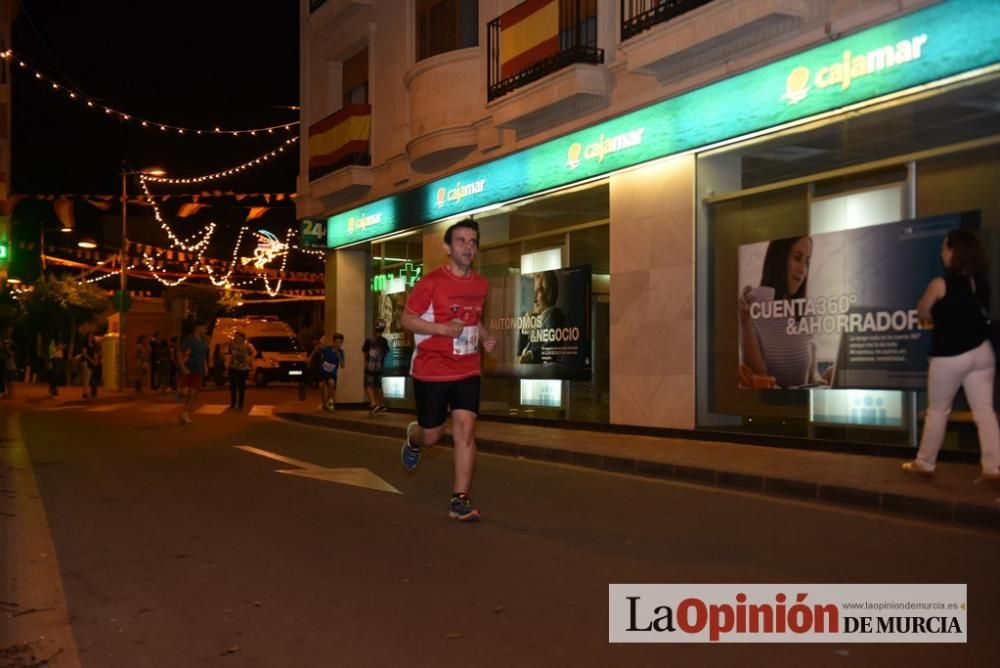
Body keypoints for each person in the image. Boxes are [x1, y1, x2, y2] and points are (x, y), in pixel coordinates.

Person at [400, 218, 497, 521]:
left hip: (467, 368)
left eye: (472, 241)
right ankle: (413, 440)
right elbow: (407, 320)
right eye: (461, 241)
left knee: (466, 430)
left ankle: (460, 499)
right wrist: (442, 329)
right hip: (431, 368)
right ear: (447, 247)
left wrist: (484, 336)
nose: (468, 247)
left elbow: (472, 318)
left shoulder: (481, 284)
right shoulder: (430, 283)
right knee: (432, 436)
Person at [903, 229, 1000, 487]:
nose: (942, 252)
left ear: (955, 251)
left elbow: (922, 310)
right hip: (983, 353)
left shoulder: (940, 283)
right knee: (985, 411)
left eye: (945, 248)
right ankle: (993, 468)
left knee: (937, 410)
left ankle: (924, 464)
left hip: (950, 356)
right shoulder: (981, 282)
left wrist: (935, 317)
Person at [738, 235, 832, 389]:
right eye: (797, 258)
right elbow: (759, 375)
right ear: (778, 259)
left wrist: (821, 377)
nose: (803, 269)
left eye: (806, 262)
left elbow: (811, 372)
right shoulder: (752, 306)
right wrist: (745, 321)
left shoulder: (806, 312)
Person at [517, 270, 565, 364]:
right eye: (533, 293)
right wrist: (524, 331)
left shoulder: (553, 314)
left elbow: (552, 347)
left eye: (538, 292)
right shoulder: (538, 319)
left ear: (549, 293)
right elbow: (518, 355)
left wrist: (529, 356)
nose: (534, 300)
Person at [178, 321, 209, 424]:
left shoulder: (204, 341)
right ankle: (180, 390)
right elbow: (179, 353)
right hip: (188, 369)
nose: (206, 330)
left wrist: (205, 367)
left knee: (193, 394)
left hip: (198, 370)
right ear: (197, 328)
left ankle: (185, 413)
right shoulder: (189, 339)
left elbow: (203, 355)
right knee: (186, 393)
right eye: (204, 328)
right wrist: (183, 367)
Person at [362, 319, 391, 416]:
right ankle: (382, 404)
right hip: (379, 367)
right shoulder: (384, 341)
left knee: (368, 385)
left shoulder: (369, 340)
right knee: (378, 385)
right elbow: (386, 353)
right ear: (383, 330)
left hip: (369, 367)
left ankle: (374, 404)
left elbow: (365, 352)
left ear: (374, 328)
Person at [227, 331, 256, 411]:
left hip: (243, 368)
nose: (237, 338)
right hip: (233, 367)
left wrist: (250, 358)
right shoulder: (232, 344)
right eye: (236, 337)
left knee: (241, 386)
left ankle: (240, 404)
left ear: (242, 337)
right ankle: (233, 403)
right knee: (233, 386)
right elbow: (231, 354)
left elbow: (254, 352)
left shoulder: (248, 345)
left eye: (238, 337)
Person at [315, 333, 345, 412]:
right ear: (333, 342)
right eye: (336, 342)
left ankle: (329, 401)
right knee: (322, 386)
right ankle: (324, 403)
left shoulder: (341, 352)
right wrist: (310, 358)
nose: (338, 344)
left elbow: (342, 365)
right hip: (323, 372)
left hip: (332, 373)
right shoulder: (327, 349)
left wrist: (339, 357)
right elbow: (317, 347)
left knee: (331, 383)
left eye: (340, 342)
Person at [79, 333, 99, 399]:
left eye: (92, 336)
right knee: (87, 377)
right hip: (85, 362)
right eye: (90, 336)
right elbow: (84, 354)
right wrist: (91, 360)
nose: (91, 338)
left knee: (89, 377)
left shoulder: (93, 345)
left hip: (91, 363)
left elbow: (95, 354)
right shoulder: (85, 344)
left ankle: (86, 392)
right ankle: (85, 393)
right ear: (87, 337)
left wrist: (96, 360)